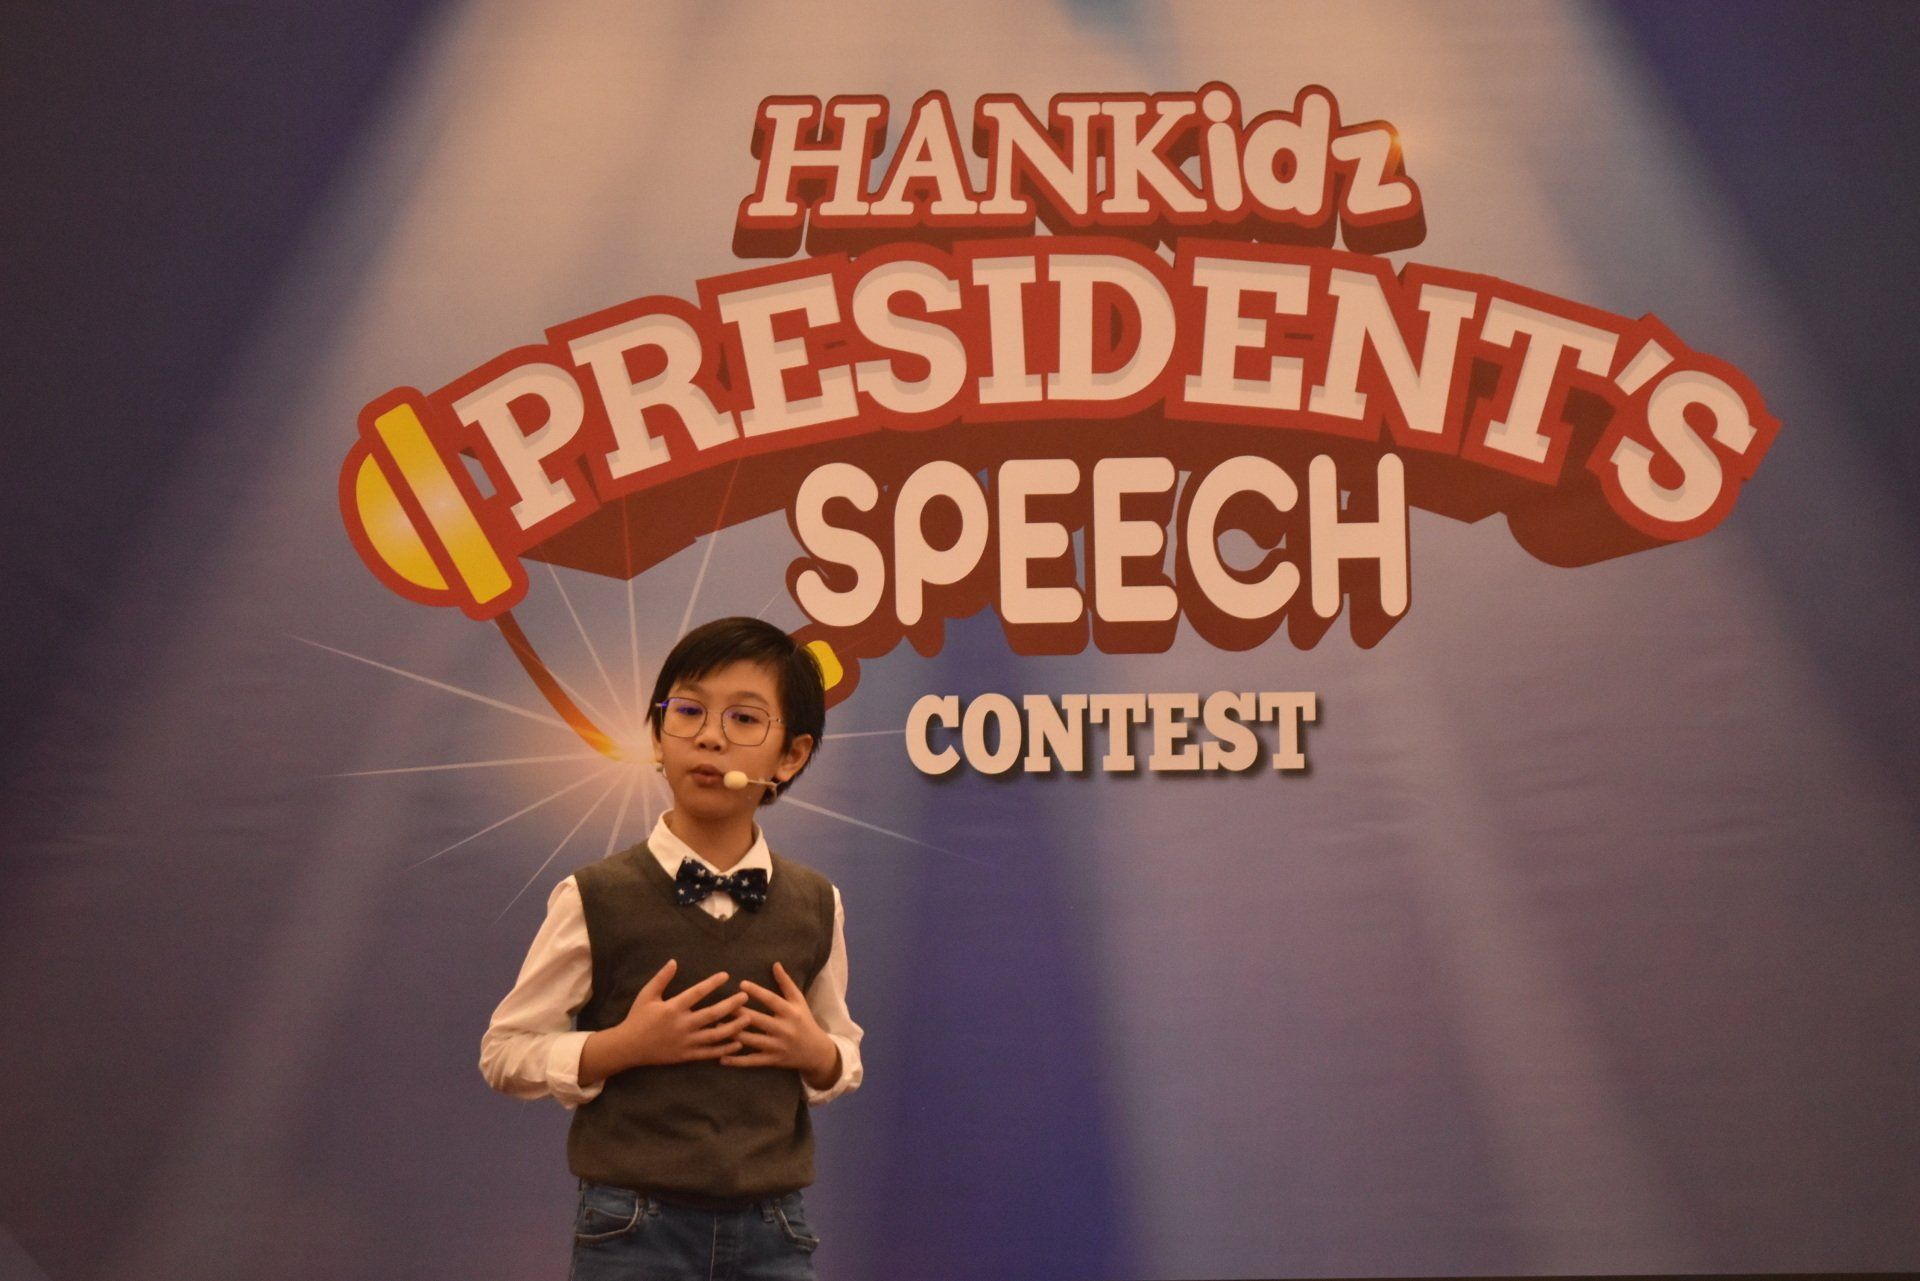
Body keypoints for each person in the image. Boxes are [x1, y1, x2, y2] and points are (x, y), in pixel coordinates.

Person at [480, 616, 863, 1280]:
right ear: (657, 736)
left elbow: (843, 1051)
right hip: (631, 1225)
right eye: (687, 711)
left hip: (776, 1228)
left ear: (791, 757)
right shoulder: (594, 895)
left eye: (745, 719)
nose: (710, 736)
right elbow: (505, 1052)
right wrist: (620, 1047)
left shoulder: (815, 902)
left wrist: (818, 1054)